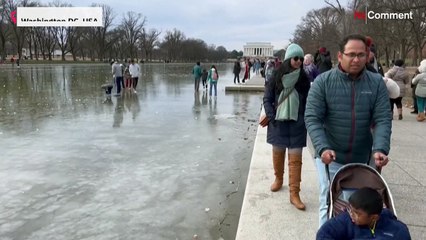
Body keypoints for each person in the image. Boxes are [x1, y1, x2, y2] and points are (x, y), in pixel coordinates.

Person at [305, 34, 392, 226]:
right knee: (328, 201)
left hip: (364, 155)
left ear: (367, 55)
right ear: (339, 56)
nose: (356, 59)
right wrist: (322, 148)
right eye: (351, 54)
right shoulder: (323, 82)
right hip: (331, 154)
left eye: (361, 55)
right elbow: (312, 118)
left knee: (362, 206)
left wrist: (380, 148)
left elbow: (382, 118)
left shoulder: (376, 82)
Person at [263, 43, 310, 210]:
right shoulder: (276, 77)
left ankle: (294, 193)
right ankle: (278, 179)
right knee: (278, 153)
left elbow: (308, 102)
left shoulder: (304, 79)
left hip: (297, 123)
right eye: (295, 58)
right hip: (278, 122)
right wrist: (271, 116)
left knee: (296, 160)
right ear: (288, 59)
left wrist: (305, 119)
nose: (298, 61)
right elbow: (267, 99)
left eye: (301, 59)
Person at [316, 187, 411, 240]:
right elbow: (324, 233)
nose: (352, 214)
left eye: (357, 213)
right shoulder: (346, 220)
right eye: (351, 209)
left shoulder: (398, 230)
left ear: (374, 217)